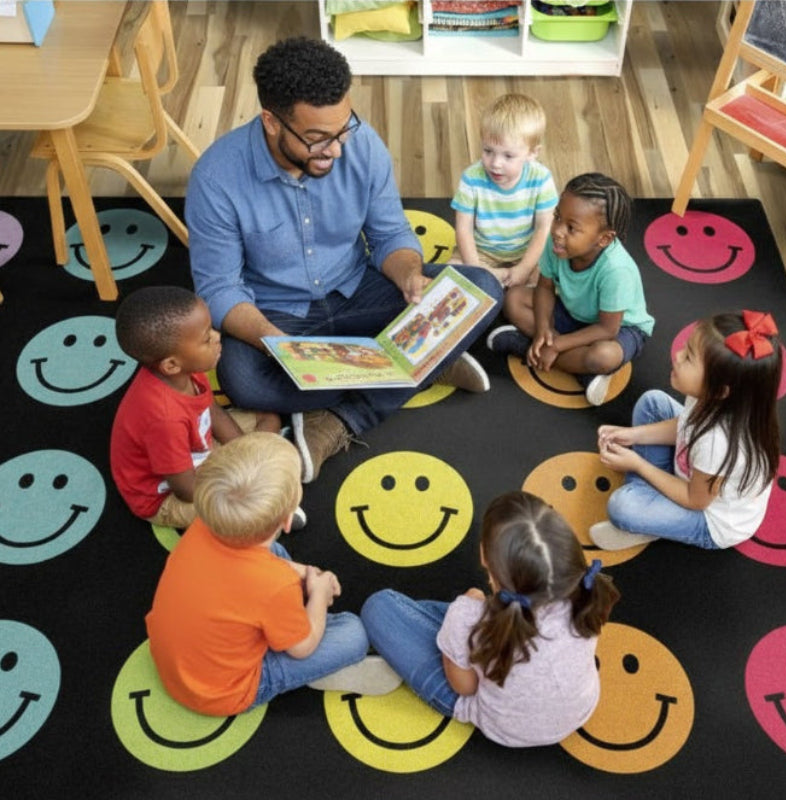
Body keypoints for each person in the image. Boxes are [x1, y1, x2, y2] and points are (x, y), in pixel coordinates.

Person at [185, 37, 503, 483]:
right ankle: (424, 365)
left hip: (361, 288)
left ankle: (336, 420)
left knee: (483, 290)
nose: (336, 149)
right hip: (280, 316)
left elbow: (390, 233)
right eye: (317, 139)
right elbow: (219, 288)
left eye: (342, 129)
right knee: (242, 379)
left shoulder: (361, 144)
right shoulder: (216, 179)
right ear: (272, 122)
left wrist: (410, 275)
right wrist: (280, 344)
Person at [145, 432, 401, 716]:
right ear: (288, 519)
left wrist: (302, 573)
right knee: (354, 634)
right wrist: (317, 595)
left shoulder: (202, 527)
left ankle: (283, 623)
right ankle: (308, 658)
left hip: (176, 662)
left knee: (275, 554)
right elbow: (301, 649)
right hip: (223, 693)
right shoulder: (275, 586)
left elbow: (250, 571)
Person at [361, 490, 620, 747]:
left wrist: (462, 614)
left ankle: (408, 643)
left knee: (379, 607)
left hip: (499, 725)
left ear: (484, 555)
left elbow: (464, 687)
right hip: (577, 711)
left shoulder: (470, 616)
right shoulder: (585, 596)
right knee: (454, 618)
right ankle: (438, 634)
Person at [111, 285, 303, 531]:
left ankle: (262, 472)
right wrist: (240, 475)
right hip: (165, 498)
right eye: (206, 338)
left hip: (198, 448)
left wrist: (243, 453)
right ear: (171, 365)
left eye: (212, 328)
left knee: (267, 417)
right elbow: (187, 490)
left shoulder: (187, 371)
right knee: (245, 506)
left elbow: (212, 411)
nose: (217, 336)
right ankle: (272, 504)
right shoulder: (164, 419)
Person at [590, 310, 782, 551]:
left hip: (709, 517)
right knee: (653, 402)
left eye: (689, 357)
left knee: (622, 507)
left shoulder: (718, 443)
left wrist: (637, 464)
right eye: (686, 348)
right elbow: (685, 425)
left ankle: (646, 516)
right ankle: (651, 503)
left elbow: (695, 500)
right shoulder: (713, 399)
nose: (678, 356)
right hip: (694, 474)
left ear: (720, 391)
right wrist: (633, 435)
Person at [487, 172, 654, 406]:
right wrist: (544, 328)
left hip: (619, 329)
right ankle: (577, 368)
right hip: (573, 313)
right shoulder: (557, 243)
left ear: (604, 239)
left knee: (603, 357)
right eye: (557, 217)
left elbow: (607, 329)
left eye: (571, 227)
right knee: (513, 298)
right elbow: (544, 288)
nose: (557, 230)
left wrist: (556, 345)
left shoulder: (617, 270)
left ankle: (523, 346)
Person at [450, 93, 557, 295]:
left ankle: (514, 303)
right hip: (482, 253)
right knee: (450, 272)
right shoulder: (471, 178)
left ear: (532, 153)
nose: (495, 163)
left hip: (527, 253)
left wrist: (525, 268)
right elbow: (463, 229)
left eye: (508, 155)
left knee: (551, 277)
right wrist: (478, 270)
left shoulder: (541, 178)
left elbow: (545, 228)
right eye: (488, 151)